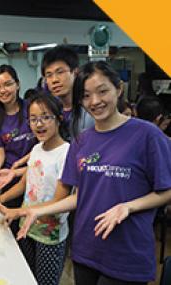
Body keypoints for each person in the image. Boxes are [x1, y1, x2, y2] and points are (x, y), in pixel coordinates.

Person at [10, 61, 171, 285]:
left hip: (126, 252)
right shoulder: (82, 140)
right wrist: (37, 211)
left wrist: (128, 206)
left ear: (119, 88)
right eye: (86, 96)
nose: (95, 101)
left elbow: (167, 191)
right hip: (86, 248)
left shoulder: (147, 135)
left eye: (103, 91)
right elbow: (78, 196)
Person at [0, 92, 70, 285]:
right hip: (26, 228)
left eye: (46, 117)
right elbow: (25, 184)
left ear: (59, 119)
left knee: (45, 282)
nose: (39, 124)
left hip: (49, 235)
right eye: (33, 119)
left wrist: (18, 211)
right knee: (25, 277)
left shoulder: (66, 153)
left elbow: (60, 200)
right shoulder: (37, 148)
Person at [0, 65, 36, 233]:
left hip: (36, 175)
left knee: (34, 229)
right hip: (9, 181)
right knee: (12, 228)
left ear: (17, 84)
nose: (3, 90)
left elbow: (45, 144)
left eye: (8, 84)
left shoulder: (32, 109)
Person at [41, 45, 94, 140]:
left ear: (75, 72)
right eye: (49, 75)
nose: (54, 80)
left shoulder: (90, 109)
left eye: (60, 72)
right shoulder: (50, 110)